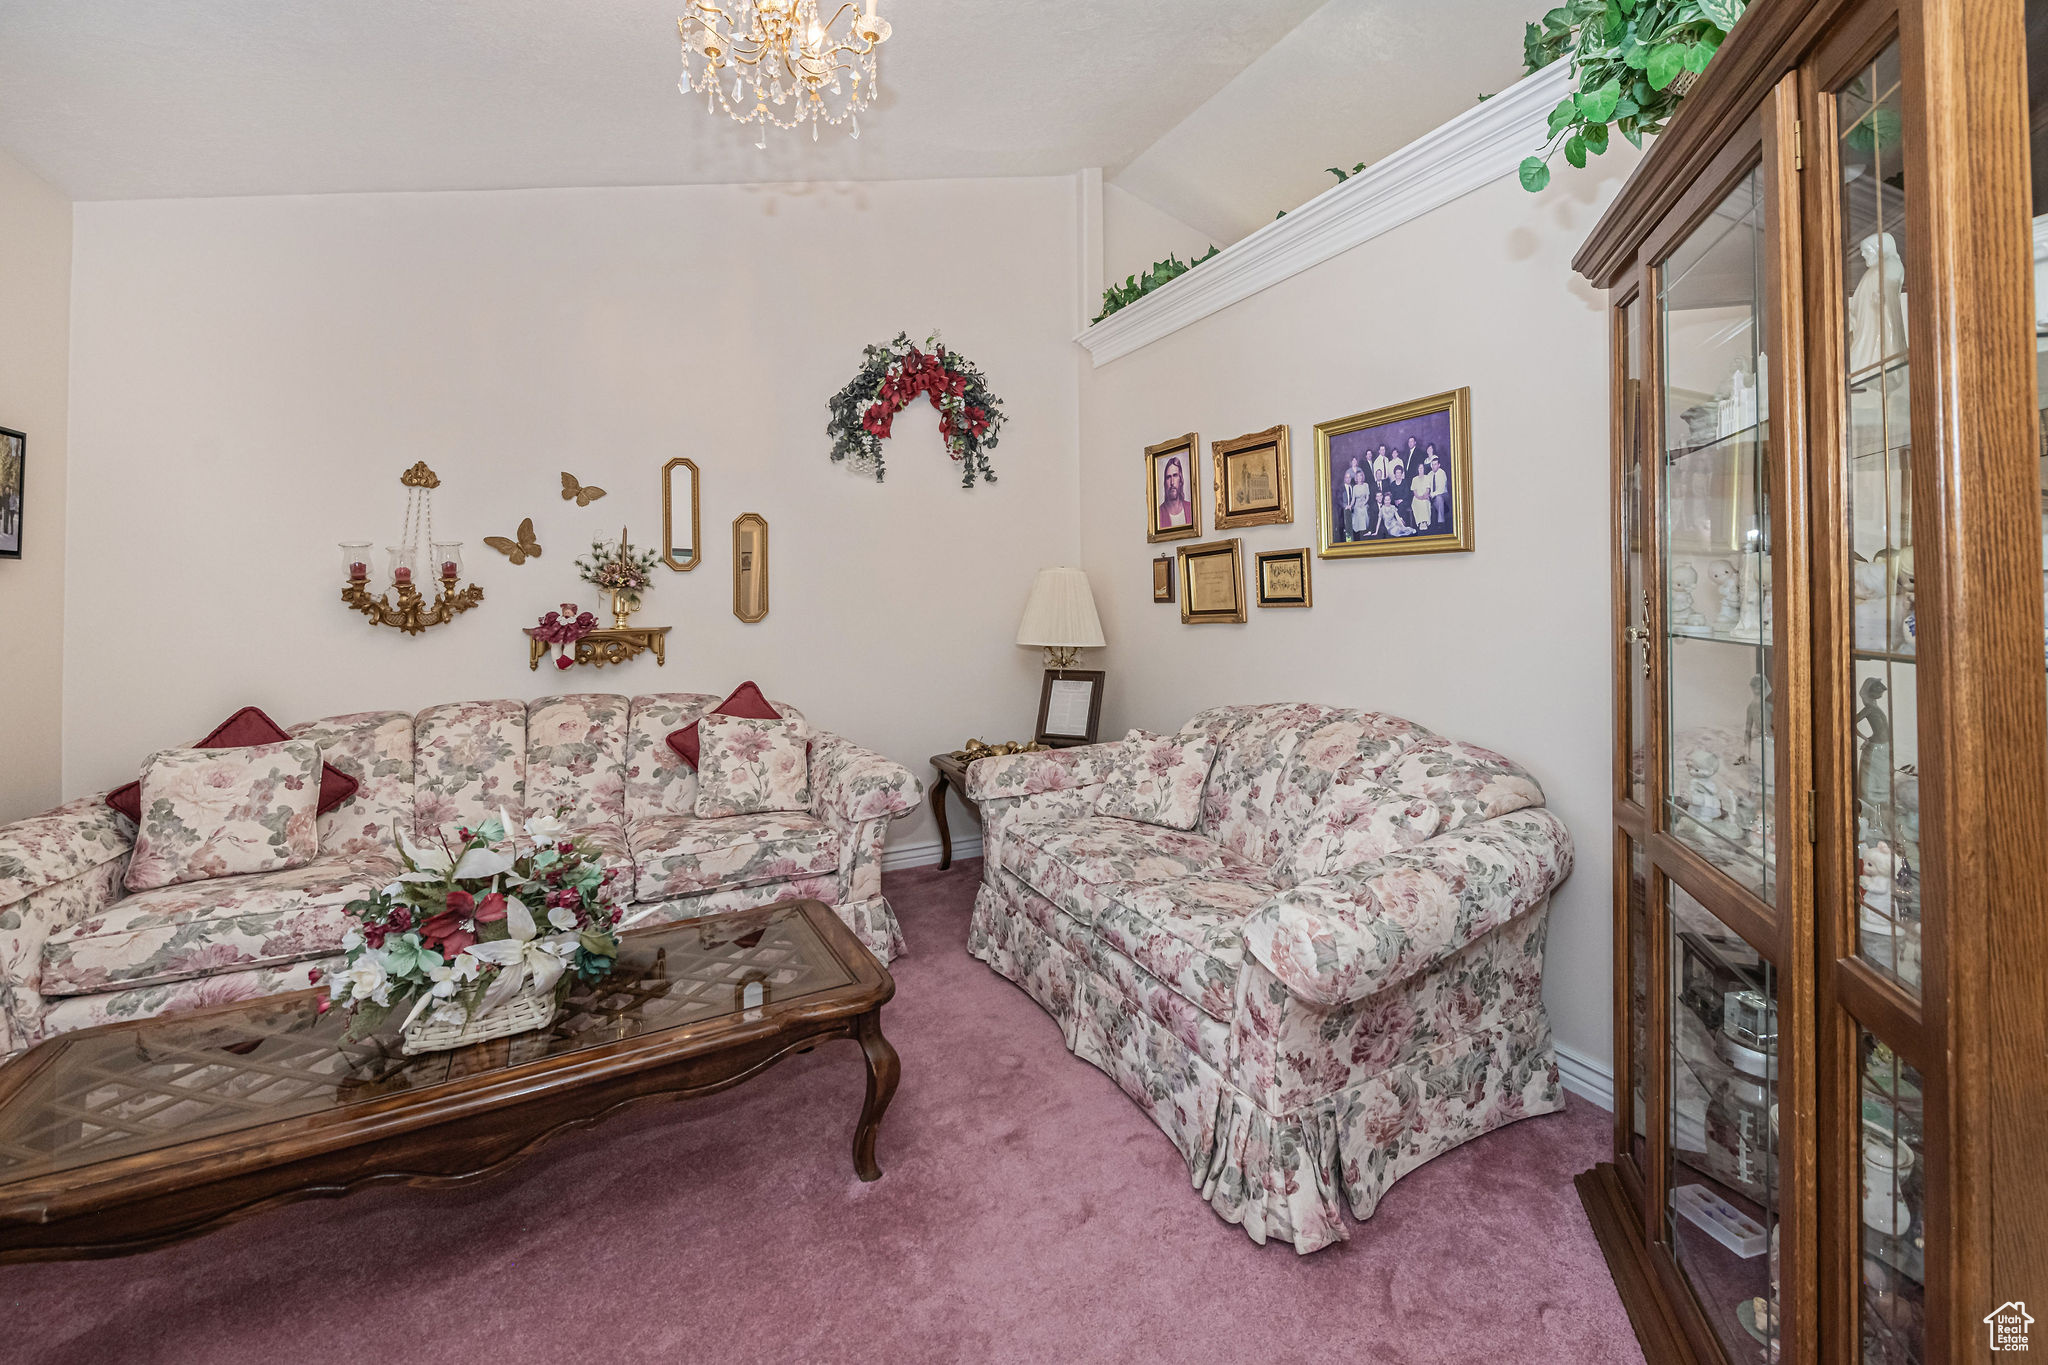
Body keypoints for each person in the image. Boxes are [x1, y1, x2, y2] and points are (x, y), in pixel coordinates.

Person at [1157, 455, 1194, 531]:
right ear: (1165, 482)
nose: (1172, 482)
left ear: (1180, 480)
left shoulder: (1191, 508)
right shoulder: (1158, 513)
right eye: (1168, 477)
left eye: (1175, 475)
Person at [1425, 446, 1450, 529]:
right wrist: (1427, 494)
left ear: (1439, 465)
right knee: (1426, 499)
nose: (1433, 466)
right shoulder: (1430, 474)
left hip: (1443, 495)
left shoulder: (1442, 473)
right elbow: (1427, 485)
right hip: (1433, 495)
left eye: (1435, 464)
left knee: (1439, 498)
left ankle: (1441, 522)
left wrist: (1432, 494)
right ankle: (1426, 522)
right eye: (1432, 465)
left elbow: (1441, 489)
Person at [1347, 467, 1374, 540]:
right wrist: (1350, 505)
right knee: (1358, 511)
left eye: (1361, 476)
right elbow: (1353, 499)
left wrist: (1364, 503)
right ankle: (1359, 534)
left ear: (1362, 477)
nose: (1359, 477)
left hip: (1364, 503)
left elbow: (1367, 497)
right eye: (1358, 476)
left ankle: (1364, 532)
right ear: (1356, 477)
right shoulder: (1355, 487)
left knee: (1364, 511)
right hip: (1357, 504)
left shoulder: (1366, 485)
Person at [1410, 460, 1433, 532]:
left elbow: (1427, 490)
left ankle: (1425, 522)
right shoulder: (1414, 479)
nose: (1421, 470)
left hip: (1425, 496)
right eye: (1419, 468)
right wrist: (1419, 497)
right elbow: (1414, 492)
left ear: (1424, 469)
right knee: (1418, 503)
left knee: (1424, 503)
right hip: (1416, 498)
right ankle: (1420, 522)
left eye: (1422, 468)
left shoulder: (1427, 477)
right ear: (1417, 469)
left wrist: (1423, 497)